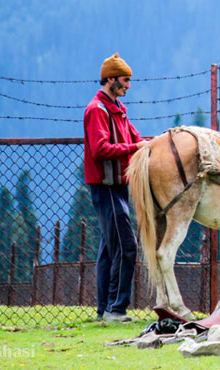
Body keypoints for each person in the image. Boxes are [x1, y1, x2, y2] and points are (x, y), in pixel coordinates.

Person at [83, 53, 146, 322]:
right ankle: (117, 309)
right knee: (127, 246)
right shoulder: (97, 110)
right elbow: (100, 149)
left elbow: (136, 137)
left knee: (110, 249)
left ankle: (104, 310)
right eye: (125, 80)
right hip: (106, 188)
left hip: (117, 187)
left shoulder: (117, 111)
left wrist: (149, 145)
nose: (128, 86)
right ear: (109, 79)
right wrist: (135, 148)